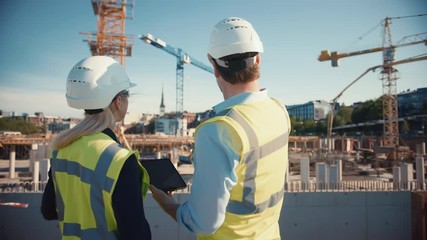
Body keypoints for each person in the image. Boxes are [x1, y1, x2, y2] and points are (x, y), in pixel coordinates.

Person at [149, 17, 291, 239]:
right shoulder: (279, 110)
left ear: (214, 67)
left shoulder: (218, 131)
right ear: (258, 60)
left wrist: (166, 203)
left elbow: (203, 223)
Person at [41, 56, 152, 239]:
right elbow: (136, 234)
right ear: (118, 101)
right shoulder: (119, 159)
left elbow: (49, 211)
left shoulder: (62, 149)